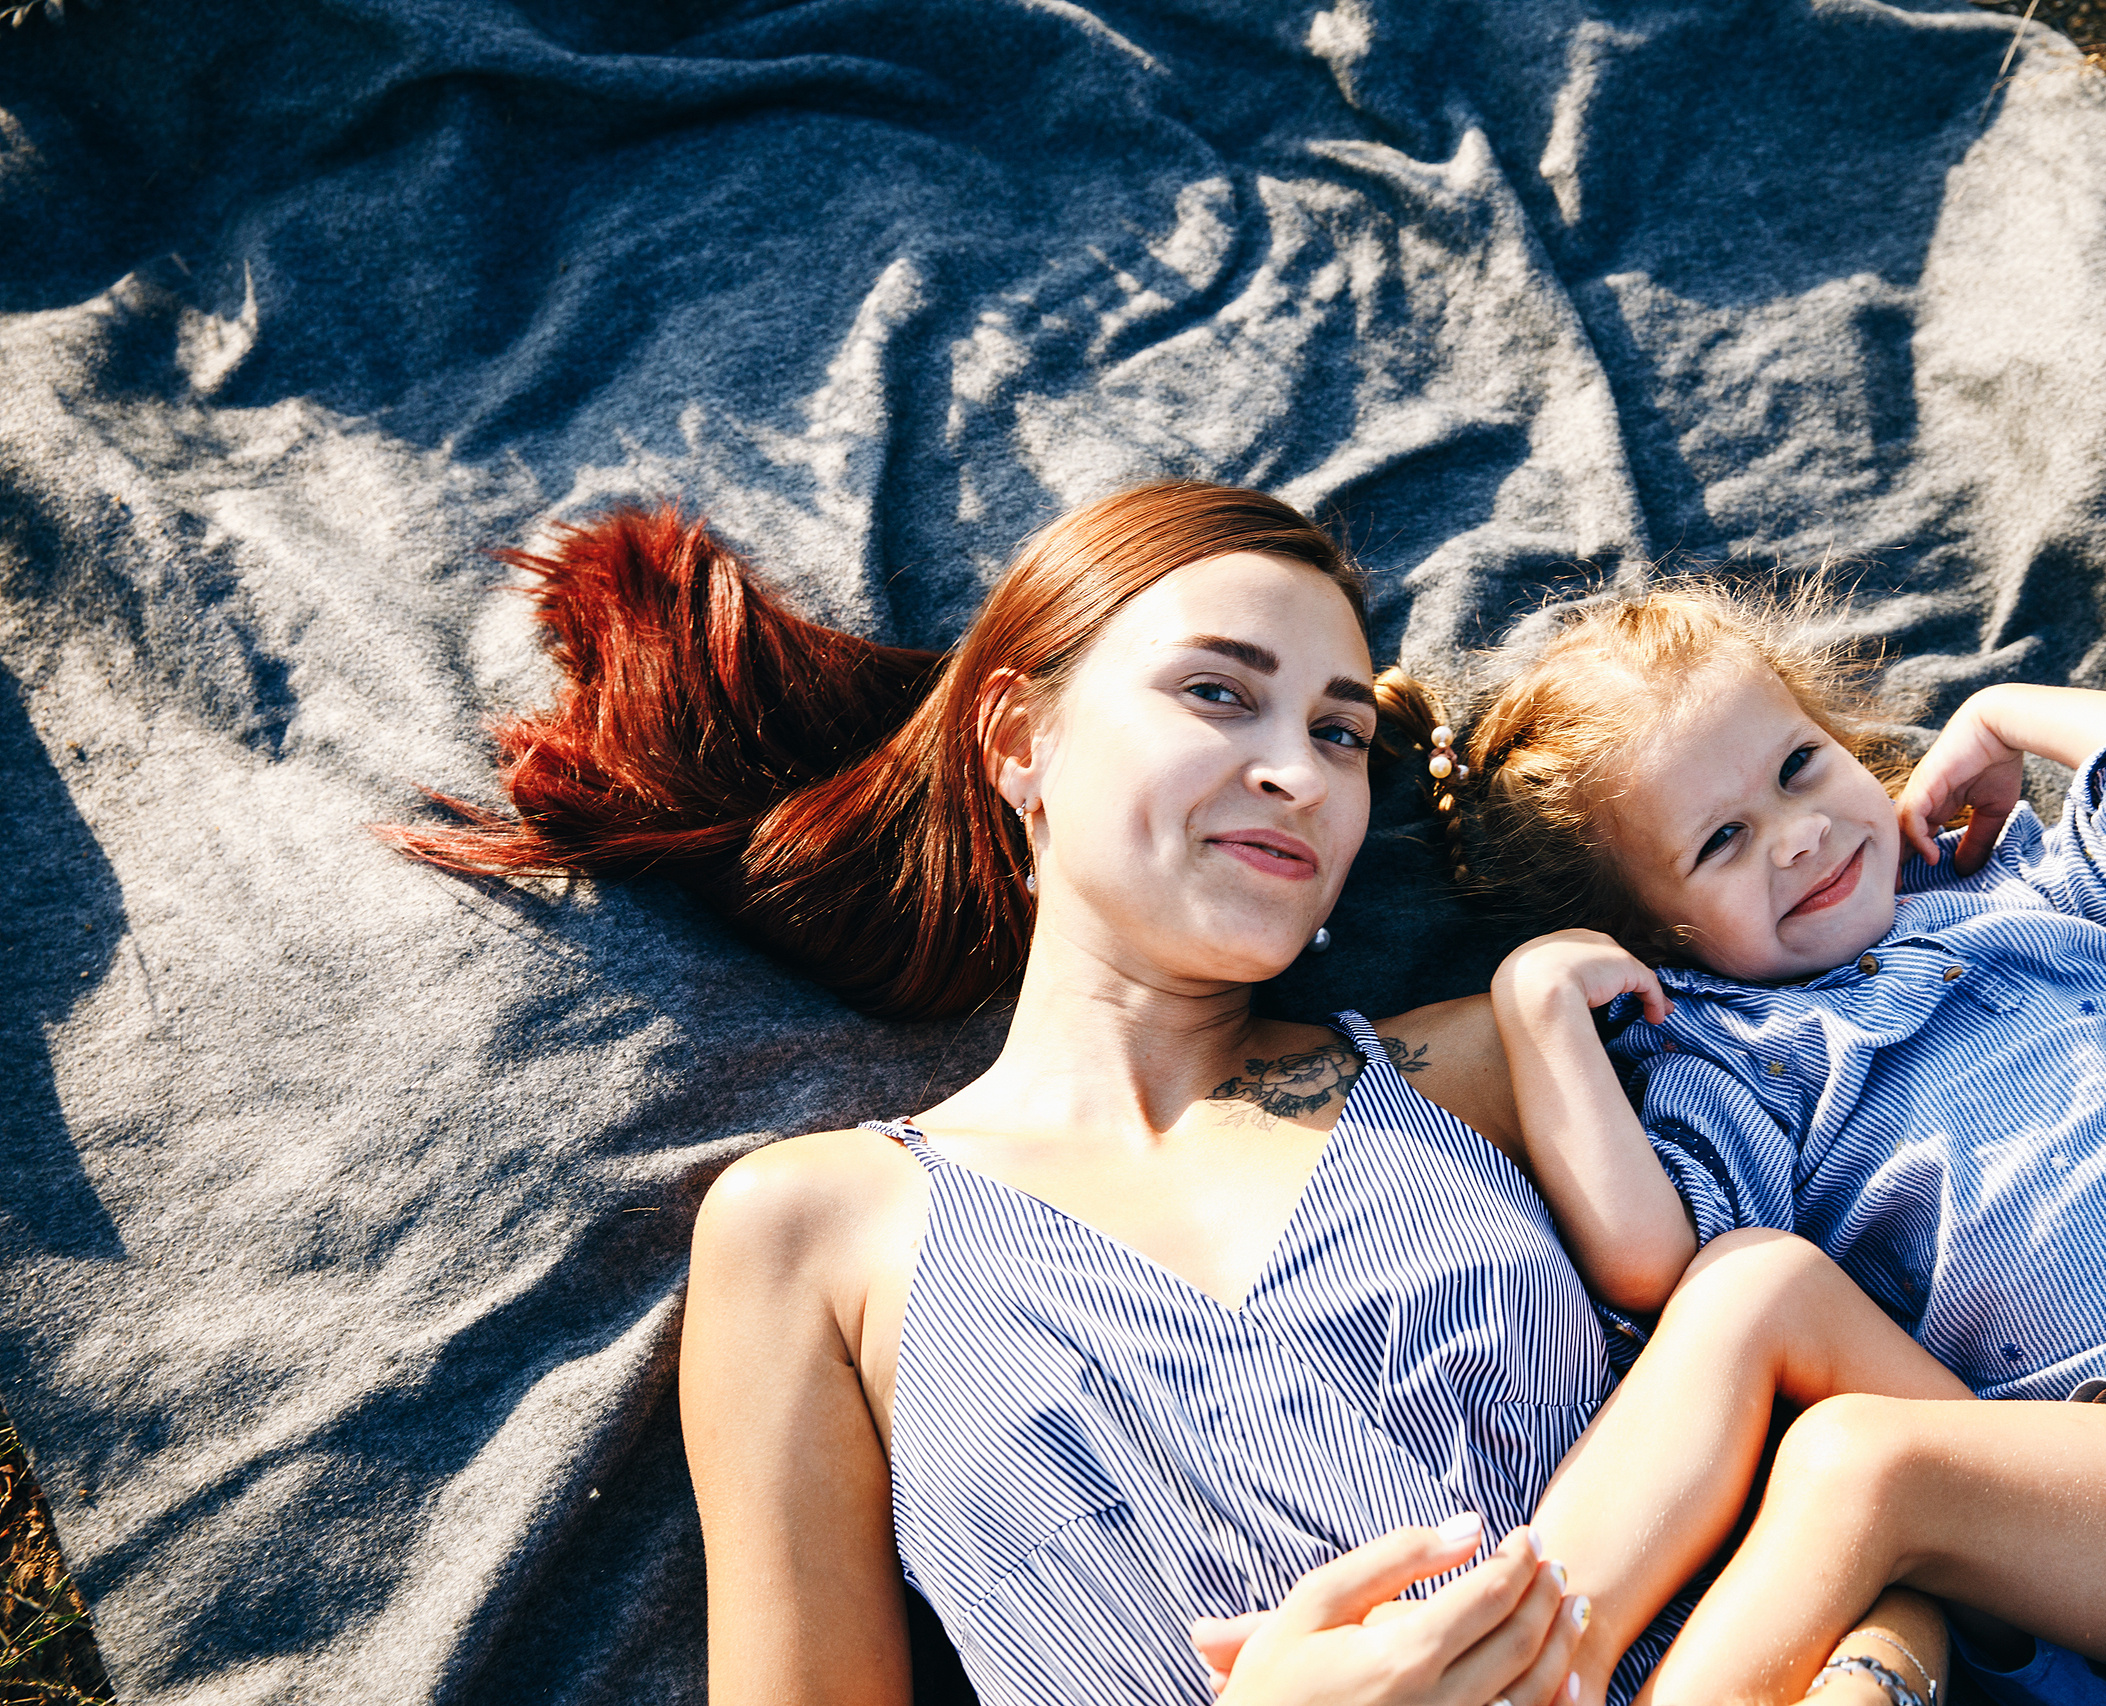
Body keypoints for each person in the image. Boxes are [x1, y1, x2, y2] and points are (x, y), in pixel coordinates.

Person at [384, 484, 1948, 1706]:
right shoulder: (809, 1235)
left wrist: (1884, 1668)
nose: (1300, 770)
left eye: (1341, 733)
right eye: (1222, 695)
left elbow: (1884, 1415)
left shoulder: (1489, 1056)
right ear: (1022, 739)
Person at [1425, 576, 2106, 1706]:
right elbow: (1644, 1260)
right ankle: (1533, 1654)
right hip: (2043, 1587)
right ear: (1650, 937)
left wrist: (2002, 712)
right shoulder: (1727, 1064)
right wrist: (1541, 1015)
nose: (1801, 835)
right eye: (1722, 840)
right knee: (1748, 1284)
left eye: (1799, 765)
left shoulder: (2015, 892)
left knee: (1856, 1463)